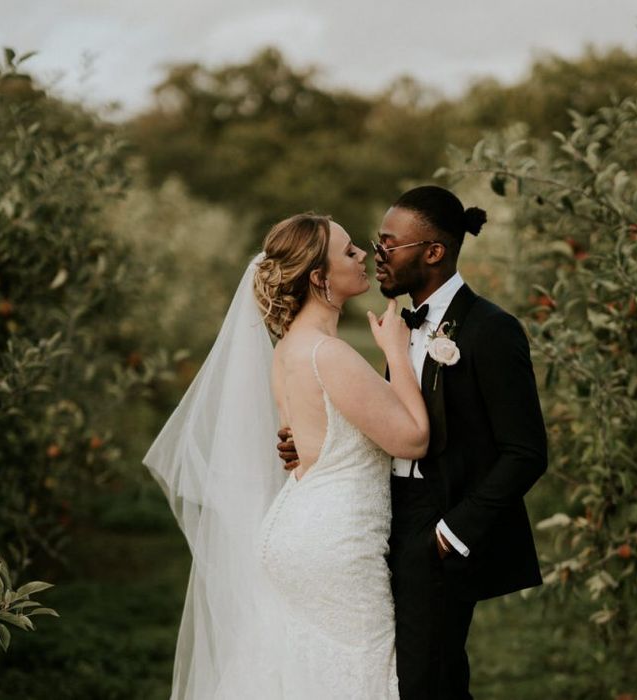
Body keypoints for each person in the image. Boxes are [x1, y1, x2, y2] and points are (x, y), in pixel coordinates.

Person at [278, 185, 548, 699]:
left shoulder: (492, 330)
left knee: (428, 680)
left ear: (433, 252)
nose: (376, 254)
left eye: (387, 244)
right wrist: (320, 443)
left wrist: (452, 532)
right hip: (379, 518)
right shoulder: (399, 326)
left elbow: (526, 452)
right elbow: (393, 421)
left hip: (439, 523)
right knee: (391, 673)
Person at [144, 213, 428, 699]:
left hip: (295, 528)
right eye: (348, 251)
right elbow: (413, 439)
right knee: (361, 674)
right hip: (336, 544)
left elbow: (312, 436)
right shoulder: (328, 355)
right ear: (319, 277)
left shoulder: (288, 350)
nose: (362, 255)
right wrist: (397, 352)